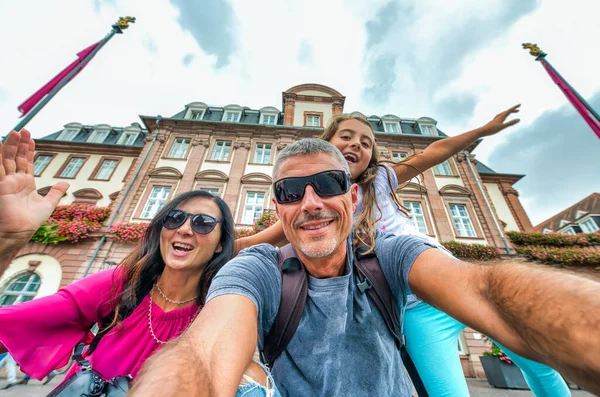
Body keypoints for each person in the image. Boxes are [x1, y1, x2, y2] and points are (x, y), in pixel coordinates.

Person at [129, 138, 600, 396]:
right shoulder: (258, 268)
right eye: (292, 192)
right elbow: (207, 353)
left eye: (327, 184)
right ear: (278, 207)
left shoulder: (389, 255)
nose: (310, 203)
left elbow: (487, 291)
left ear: (353, 196)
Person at [236, 109, 571, 395]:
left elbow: (432, 153)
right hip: (414, 308)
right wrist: (204, 245)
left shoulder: (381, 178)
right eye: (347, 136)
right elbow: (256, 241)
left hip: (449, 279)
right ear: (326, 144)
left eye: (366, 142)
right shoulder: (310, 207)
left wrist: (483, 129)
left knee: (538, 360)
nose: (356, 144)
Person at [0, 129, 278, 397]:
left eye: (203, 223)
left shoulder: (222, 306)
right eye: (175, 218)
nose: (184, 229)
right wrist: (7, 240)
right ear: (161, 229)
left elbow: (280, 231)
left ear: (220, 243)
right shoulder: (121, 284)